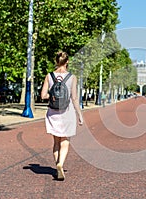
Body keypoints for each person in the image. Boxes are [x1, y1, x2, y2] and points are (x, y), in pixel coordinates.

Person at [41, 51, 83, 181]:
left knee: (56, 142)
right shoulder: (72, 77)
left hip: (53, 112)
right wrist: (80, 115)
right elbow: (74, 98)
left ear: (56, 61)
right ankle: (61, 164)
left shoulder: (49, 76)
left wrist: (52, 95)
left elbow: (43, 96)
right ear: (67, 62)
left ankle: (56, 164)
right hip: (67, 111)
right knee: (65, 141)